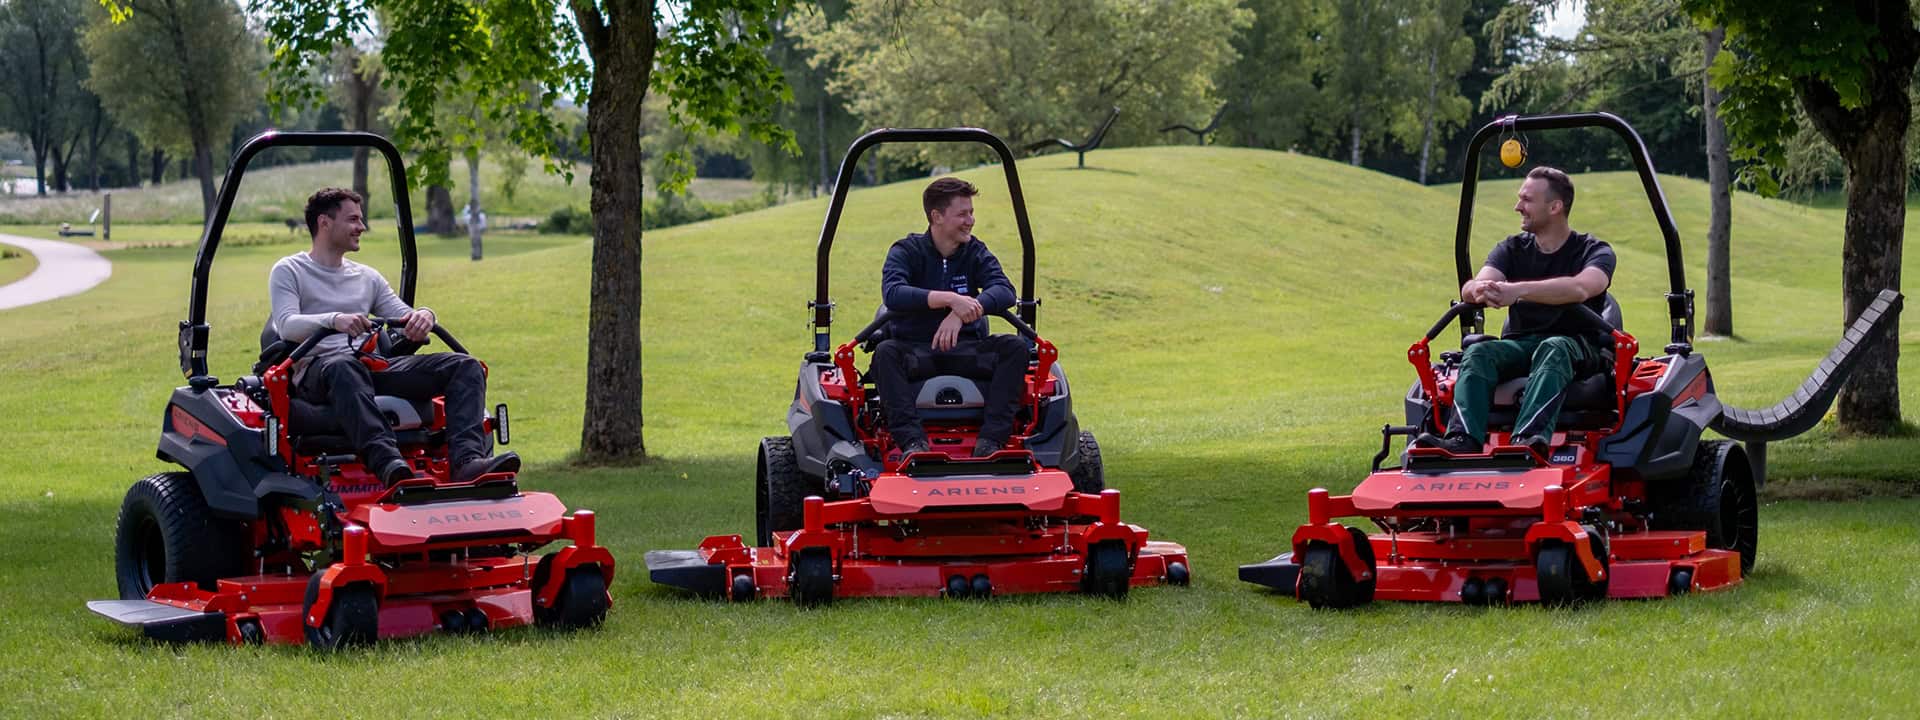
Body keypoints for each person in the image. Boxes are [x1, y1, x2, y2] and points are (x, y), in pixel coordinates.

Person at [268, 187, 519, 485]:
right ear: (324, 222)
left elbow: (402, 315)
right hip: (319, 372)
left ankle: (467, 462)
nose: (362, 227)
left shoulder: (367, 277)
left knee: (465, 366)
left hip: (368, 367)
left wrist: (424, 315)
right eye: (353, 219)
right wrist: (335, 320)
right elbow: (287, 325)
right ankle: (389, 464)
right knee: (343, 366)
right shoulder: (290, 270)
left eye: (361, 219)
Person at [1417, 166, 1617, 457]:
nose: (1518, 206)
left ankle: (1528, 440)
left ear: (1555, 207)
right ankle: (1463, 439)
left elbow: (1581, 288)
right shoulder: (1511, 248)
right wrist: (1481, 290)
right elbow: (1472, 287)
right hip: (1522, 344)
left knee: (1554, 347)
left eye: (1527, 200)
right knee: (1479, 353)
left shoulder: (1594, 250)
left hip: (1578, 346)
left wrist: (1517, 290)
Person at [869, 177, 1028, 458]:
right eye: (962, 214)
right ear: (937, 216)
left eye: (971, 213)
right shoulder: (906, 251)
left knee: (1015, 348)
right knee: (885, 353)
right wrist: (950, 299)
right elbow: (893, 293)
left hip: (966, 348)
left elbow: (1004, 291)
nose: (971, 221)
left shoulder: (975, 252)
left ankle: (991, 441)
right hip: (916, 350)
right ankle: (913, 443)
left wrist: (962, 313)